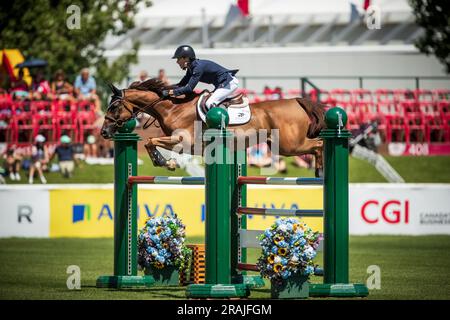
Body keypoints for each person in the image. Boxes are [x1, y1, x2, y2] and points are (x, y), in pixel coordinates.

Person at [162, 45, 239, 110]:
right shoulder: (191, 68)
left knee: (209, 103)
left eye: (178, 58)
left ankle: (221, 127)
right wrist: (166, 89)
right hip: (222, 84)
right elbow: (181, 84)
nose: (177, 61)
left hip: (229, 82)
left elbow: (189, 88)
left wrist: (171, 92)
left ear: (186, 58)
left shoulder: (198, 68)